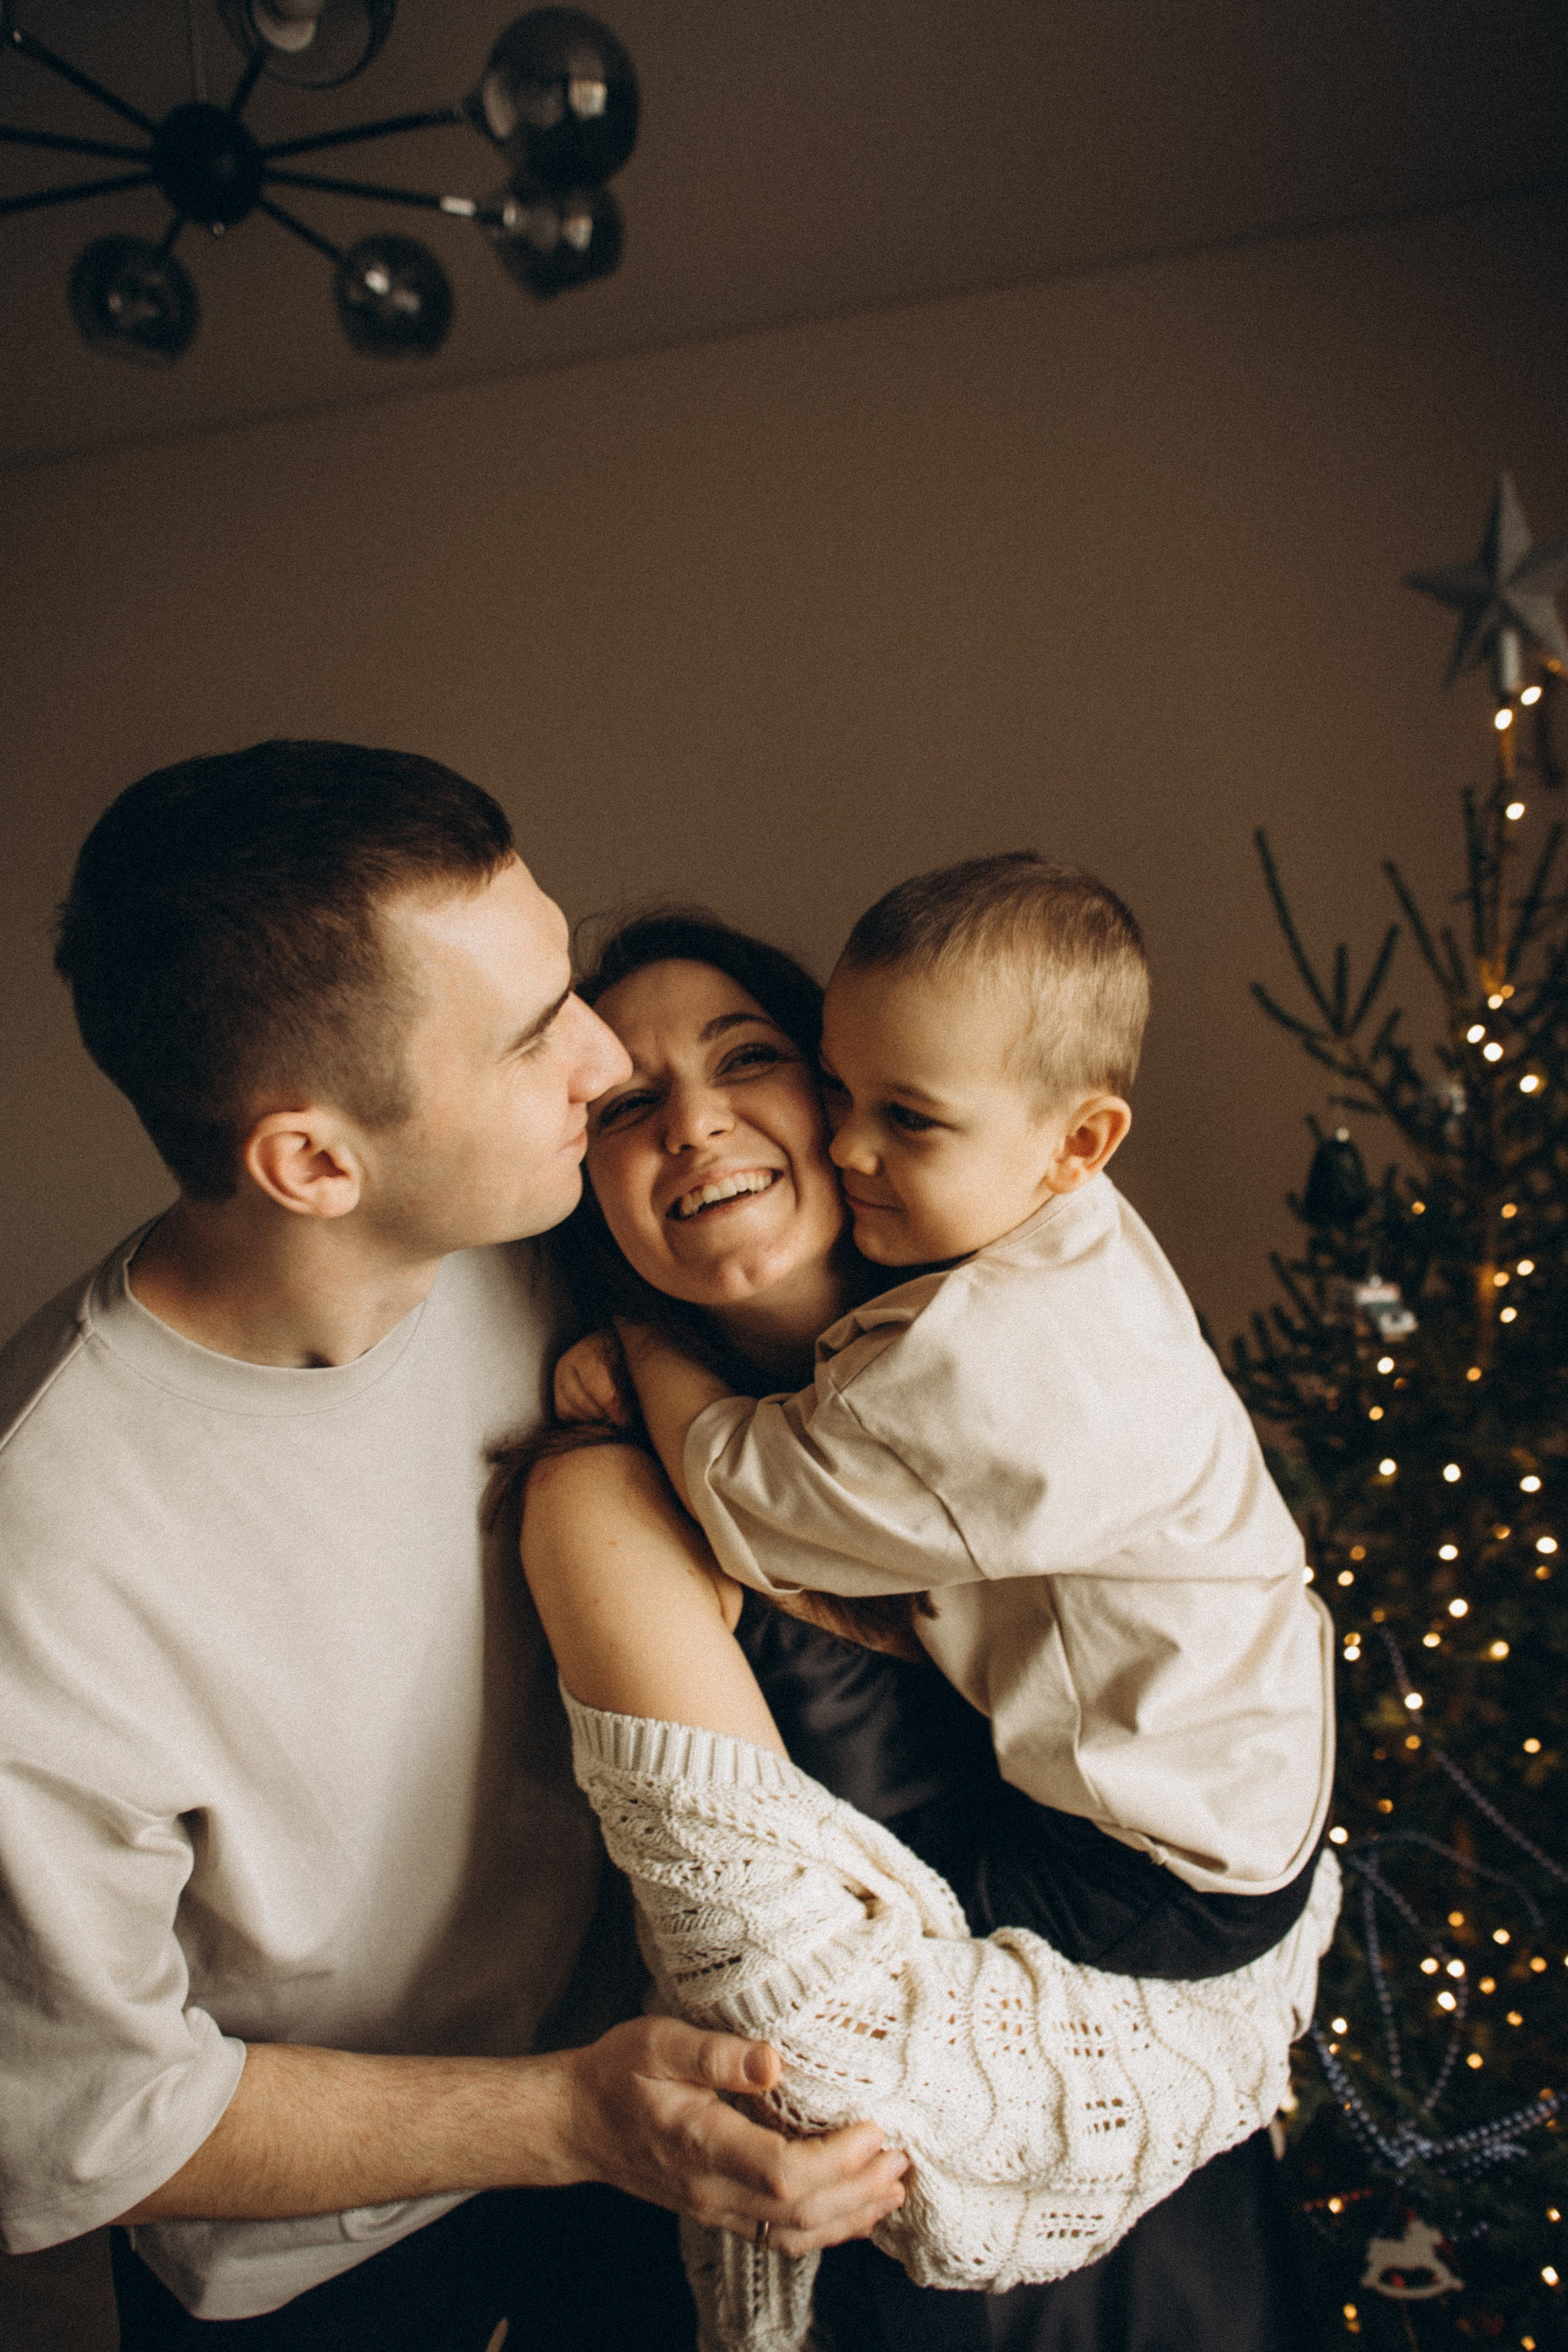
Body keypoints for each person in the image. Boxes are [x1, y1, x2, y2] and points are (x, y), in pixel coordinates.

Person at [0, 742, 910, 2351]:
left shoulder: (547, 1242)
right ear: (313, 1162)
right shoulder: (41, 1555)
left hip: (651, 2132)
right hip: (315, 2267)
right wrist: (562, 2119)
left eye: (567, 990)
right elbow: (84, 2122)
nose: (602, 1054)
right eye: (529, 1036)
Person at [518, 908, 1337, 2352]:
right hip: (921, 2252)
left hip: (1191, 2230)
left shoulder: (1016, 1357)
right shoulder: (610, 1493)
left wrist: (1213, 2034)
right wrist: (1213, 2042)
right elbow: (814, 2038)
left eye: (749, 1057)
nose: (698, 1124)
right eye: (630, 1102)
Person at [611, 854, 1335, 1909]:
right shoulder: (1060, 1233)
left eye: (907, 1118)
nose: (853, 1145)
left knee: (872, 1891)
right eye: (840, 1090)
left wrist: (636, 1341)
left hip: (1150, 1856)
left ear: (1077, 1144)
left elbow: (743, 1497)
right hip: (1251, 1775)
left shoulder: (989, 1360)